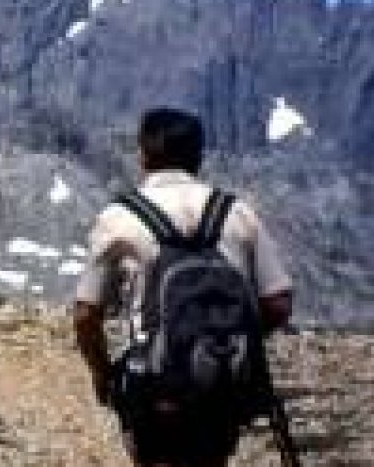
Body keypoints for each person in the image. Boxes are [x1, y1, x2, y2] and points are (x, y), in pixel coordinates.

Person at [73, 108, 293, 467]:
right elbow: (278, 302)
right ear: (199, 155)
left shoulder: (119, 217)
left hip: (155, 385)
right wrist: (234, 337)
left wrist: (103, 374)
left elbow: (86, 313)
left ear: (143, 154)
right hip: (223, 381)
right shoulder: (236, 212)